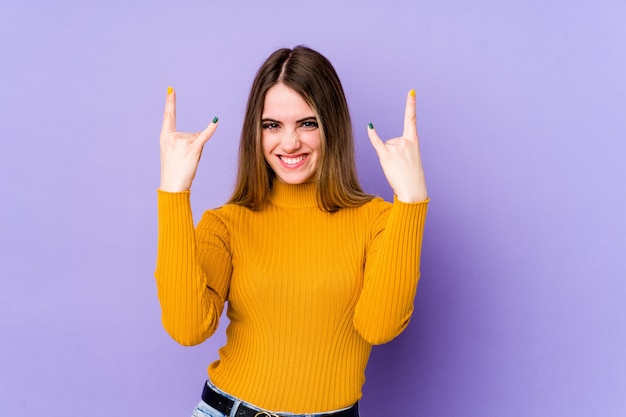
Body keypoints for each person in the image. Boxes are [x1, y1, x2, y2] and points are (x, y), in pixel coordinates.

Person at [155, 45, 429, 417]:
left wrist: (411, 200)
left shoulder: (378, 220)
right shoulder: (227, 224)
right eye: (272, 125)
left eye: (307, 123)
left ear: (331, 125)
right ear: (257, 130)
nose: (289, 143)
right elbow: (187, 328)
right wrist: (174, 192)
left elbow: (379, 326)